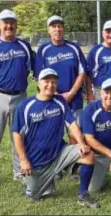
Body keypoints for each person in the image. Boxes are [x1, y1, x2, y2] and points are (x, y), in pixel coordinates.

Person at [11, 68, 99, 208]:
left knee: (88, 155)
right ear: (38, 83)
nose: (50, 85)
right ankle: (33, 183)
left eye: (53, 82)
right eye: (46, 81)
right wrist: (23, 160)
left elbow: (72, 123)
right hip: (37, 161)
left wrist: (82, 143)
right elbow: (16, 134)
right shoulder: (26, 106)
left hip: (59, 153)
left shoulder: (60, 101)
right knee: (34, 196)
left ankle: (83, 195)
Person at [0, 9, 35, 191]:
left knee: (18, 136)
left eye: (12, 22)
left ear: (16, 25)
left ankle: (19, 171)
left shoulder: (24, 46)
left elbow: (29, 69)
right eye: (5, 22)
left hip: (20, 96)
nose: (9, 25)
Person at [34, 16, 87, 179]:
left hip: (74, 98)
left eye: (60, 26)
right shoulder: (43, 50)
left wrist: (71, 93)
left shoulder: (73, 48)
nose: (57, 29)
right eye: (53, 26)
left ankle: (73, 167)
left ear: (64, 29)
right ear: (49, 30)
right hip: (51, 100)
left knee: (74, 133)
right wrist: (55, 94)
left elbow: (82, 72)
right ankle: (54, 166)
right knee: (52, 133)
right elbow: (38, 76)